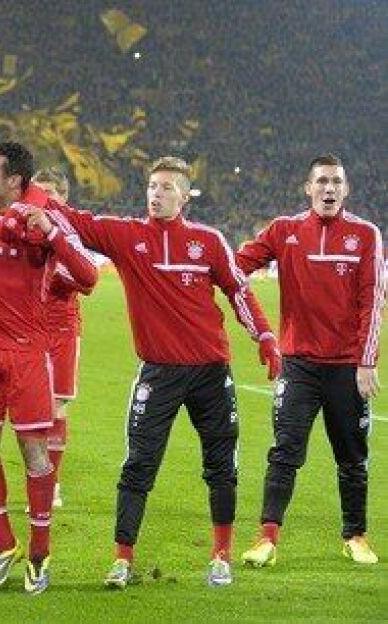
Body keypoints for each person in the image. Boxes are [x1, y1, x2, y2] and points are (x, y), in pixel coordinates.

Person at [53, 156, 281, 588]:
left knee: (221, 465)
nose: (156, 195)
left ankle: (221, 555)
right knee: (139, 465)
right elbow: (76, 221)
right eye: (152, 187)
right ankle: (122, 559)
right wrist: (34, 197)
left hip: (211, 372)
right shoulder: (127, 236)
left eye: (166, 188)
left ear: (184, 197)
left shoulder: (208, 241)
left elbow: (239, 290)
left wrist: (265, 336)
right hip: (158, 373)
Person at [237, 154, 384, 567]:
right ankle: (267, 538)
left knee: (352, 458)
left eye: (336, 181)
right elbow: (234, 266)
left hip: (346, 367)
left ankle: (355, 536)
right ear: (308, 188)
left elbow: (372, 301)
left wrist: (366, 361)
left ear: (346, 189)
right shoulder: (284, 230)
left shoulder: (365, 235)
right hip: (298, 364)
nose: (329, 188)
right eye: (321, 181)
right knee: (285, 451)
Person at [0, 142, 97, 593]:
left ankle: (40, 552)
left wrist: (52, 232)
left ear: (14, 181)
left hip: (26, 354)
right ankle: (4, 545)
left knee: (34, 453)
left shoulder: (43, 219)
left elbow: (88, 275)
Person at [30, 167, 89, 509]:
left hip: (62, 328)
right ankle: (38, 478)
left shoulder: (72, 233)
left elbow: (85, 277)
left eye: (50, 193)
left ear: (64, 198)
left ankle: (49, 485)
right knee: (31, 412)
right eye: (38, 192)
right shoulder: (25, 227)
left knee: (55, 407)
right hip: (27, 328)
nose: (43, 199)